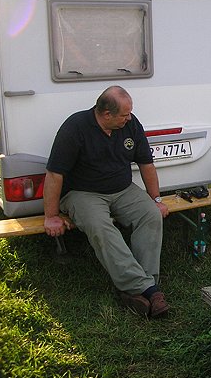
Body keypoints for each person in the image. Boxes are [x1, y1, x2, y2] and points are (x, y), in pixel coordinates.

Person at [43, 86, 170, 318]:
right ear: (106, 114)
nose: (129, 118)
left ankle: (138, 287)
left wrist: (156, 200)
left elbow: (146, 164)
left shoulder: (131, 124)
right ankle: (149, 290)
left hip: (122, 189)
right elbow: (54, 174)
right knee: (100, 227)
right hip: (82, 192)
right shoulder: (75, 127)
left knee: (151, 215)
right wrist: (51, 216)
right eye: (124, 115)